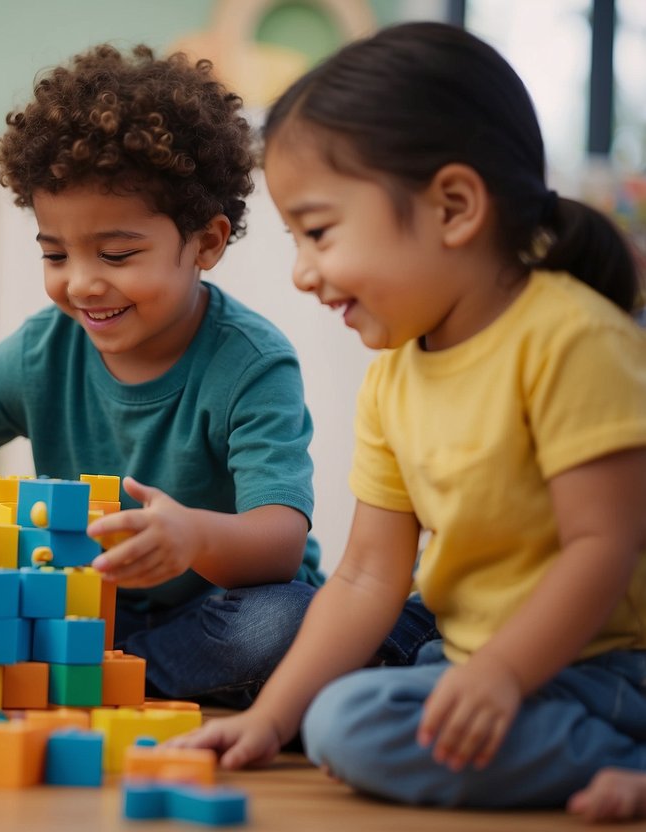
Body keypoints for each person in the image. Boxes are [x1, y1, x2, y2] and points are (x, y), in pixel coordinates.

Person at [0, 44, 433, 708]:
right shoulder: (43, 350)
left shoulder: (251, 362)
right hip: (88, 612)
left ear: (205, 243)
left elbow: (278, 539)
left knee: (279, 622)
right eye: (55, 253)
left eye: (118, 253)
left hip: (218, 610)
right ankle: (100, 670)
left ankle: (99, 674)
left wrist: (191, 538)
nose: (82, 282)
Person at [168, 21, 646, 813]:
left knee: (352, 728)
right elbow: (363, 575)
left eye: (317, 232)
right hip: (464, 658)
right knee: (334, 717)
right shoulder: (393, 374)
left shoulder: (572, 341)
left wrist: (500, 674)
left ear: (453, 207)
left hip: (604, 670)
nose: (301, 273)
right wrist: (267, 717)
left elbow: (603, 546)